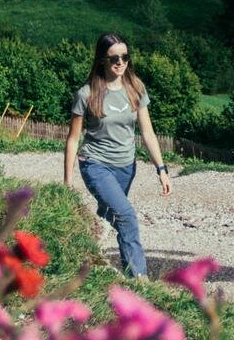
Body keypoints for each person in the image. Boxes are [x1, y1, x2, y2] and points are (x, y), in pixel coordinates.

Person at [64, 33, 172, 277]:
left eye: (125, 57)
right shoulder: (86, 94)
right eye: (114, 58)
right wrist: (68, 181)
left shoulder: (135, 88)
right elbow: (73, 139)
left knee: (113, 215)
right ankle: (138, 278)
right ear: (103, 59)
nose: (120, 62)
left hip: (126, 167)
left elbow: (148, 133)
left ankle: (90, 239)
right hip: (96, 163)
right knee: (126, 216)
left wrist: (161, 169)